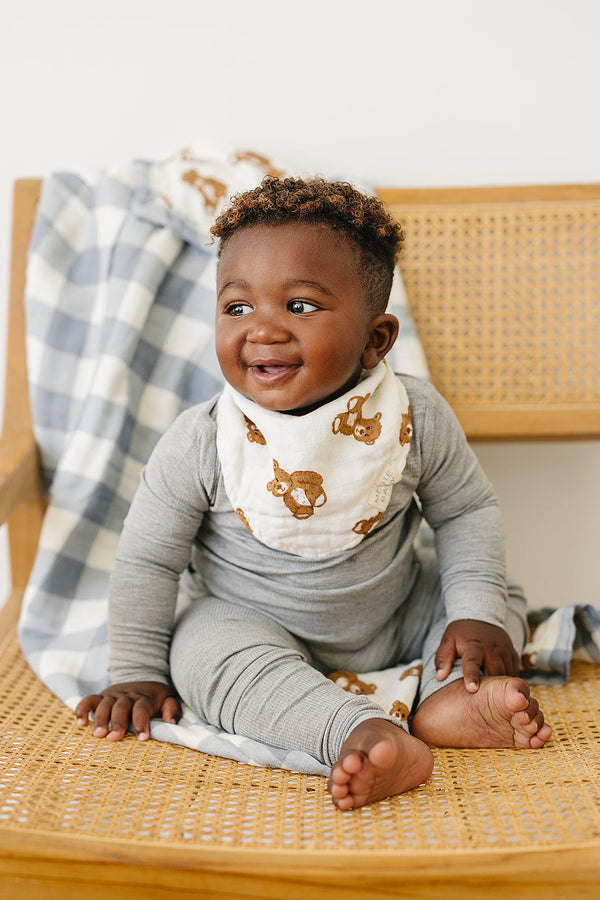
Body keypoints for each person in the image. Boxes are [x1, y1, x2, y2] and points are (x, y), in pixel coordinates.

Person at [76, 176, 551, 810]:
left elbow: (466, 511)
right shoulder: (203, 441)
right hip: (256, 624)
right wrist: (137, 669)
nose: (263, 331)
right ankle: (355, 730)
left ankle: (447, 706)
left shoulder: (415, 416)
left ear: (374, 340)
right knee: (199, 649)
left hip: (396, 614)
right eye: (237, 307)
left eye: (300, 306)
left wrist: (477, 613)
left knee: (490, 596)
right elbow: (147, 560)